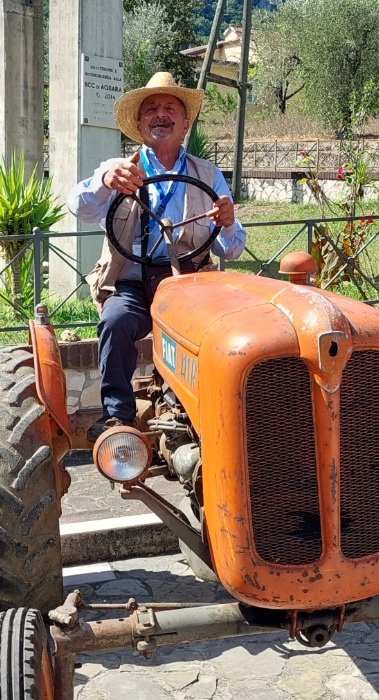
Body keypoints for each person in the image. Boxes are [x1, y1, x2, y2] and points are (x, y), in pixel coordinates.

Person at [68, 71, 247, 441]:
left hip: (187, 284)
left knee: (211, 331)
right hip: (130, 281)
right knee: (115, 322)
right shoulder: (119, 170)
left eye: (169, 108)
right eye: (151, 109)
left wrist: (228, 222)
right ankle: (118, 417)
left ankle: (190, 408)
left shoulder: (208, 174)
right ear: (139, 124)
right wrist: (104, 182)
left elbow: (230, 247)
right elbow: (78, 206)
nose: (160, 115)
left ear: (185, 123)